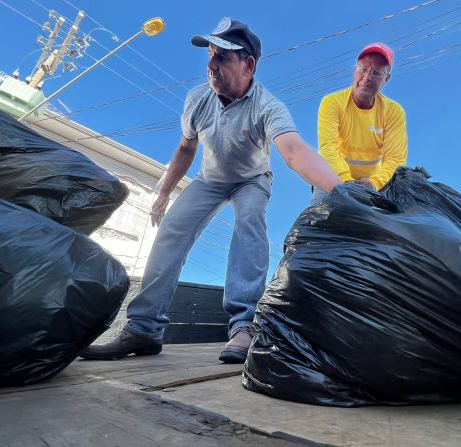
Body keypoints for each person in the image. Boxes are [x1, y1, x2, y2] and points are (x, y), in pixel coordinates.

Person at [80, 17, 342, 363]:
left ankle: (243, 327)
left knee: (250, 222)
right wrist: (163, 192)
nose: (212, 65)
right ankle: (143, 328)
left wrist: (340, 191)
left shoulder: (268, 106)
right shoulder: (198, 99)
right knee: (172, 230)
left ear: (248, 65)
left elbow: (293, 151)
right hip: (210, 180)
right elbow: (186, 149)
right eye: (211, 56)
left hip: (252, 179)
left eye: (222, 58)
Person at [310, 42, 407, 206]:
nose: (367, 77)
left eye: (376, 72)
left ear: (386, 79)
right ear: (354, 71)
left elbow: (395, 159)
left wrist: (374, 183)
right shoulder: (332, 103)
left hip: (372, 184)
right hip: (332, 177)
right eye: (363, 69)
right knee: (317, 218)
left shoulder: (394, 112)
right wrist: (347, 183)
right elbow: (328, 147)